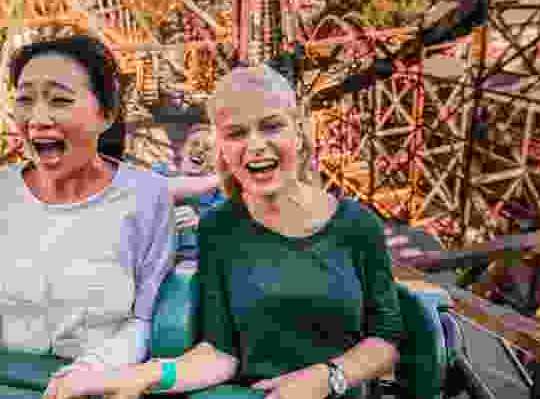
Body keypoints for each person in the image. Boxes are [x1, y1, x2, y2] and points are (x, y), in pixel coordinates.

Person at [49, 64, 404, 399]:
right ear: (223, 147)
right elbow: (219, 353)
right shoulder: (219, 229)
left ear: (298, 131)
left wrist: (328, 378)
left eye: (271, 126)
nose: (255, 145)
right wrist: (137, 376)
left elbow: (386, 340)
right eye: (236, 133)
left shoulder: (357, 225)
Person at [0, 35, 176, 399]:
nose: (37, 119)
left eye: (60, 101)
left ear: (107, 114)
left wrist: (90, 372)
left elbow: (142, 322)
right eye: (24, 100)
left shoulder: (149, 196)